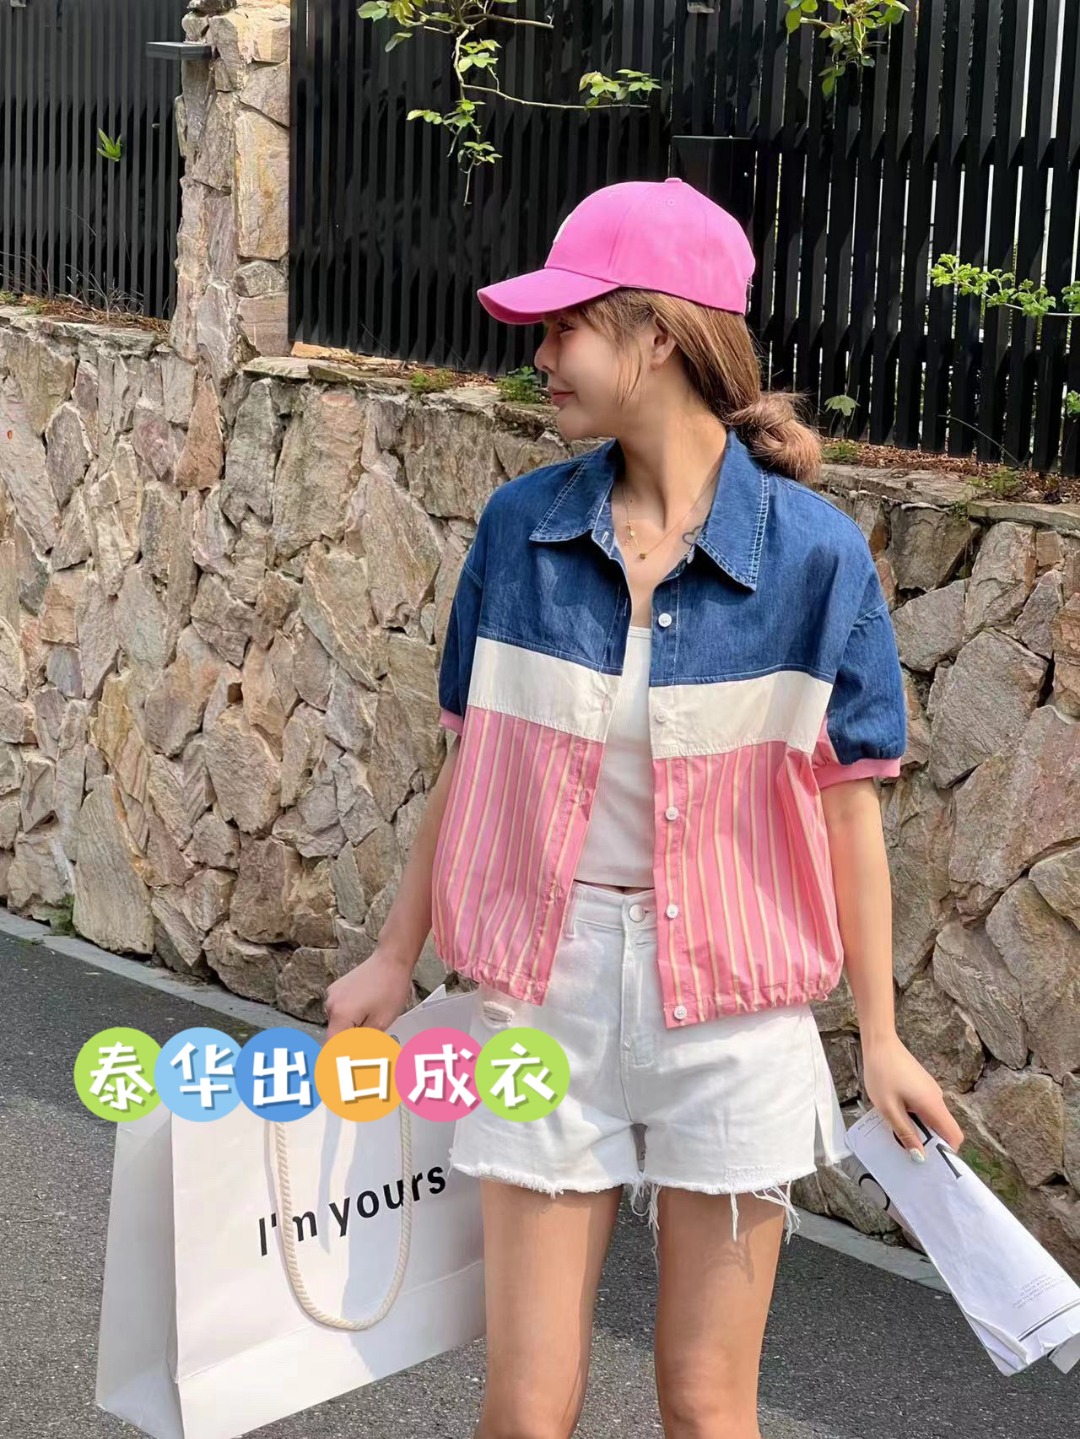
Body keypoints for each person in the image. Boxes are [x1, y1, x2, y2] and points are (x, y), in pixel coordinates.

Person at [325, 178, 965, 1439]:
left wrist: (881, 1035)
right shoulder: (520, 528)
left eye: (567, 325)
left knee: (707, 1402)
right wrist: (397, 953)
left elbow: (849, 811)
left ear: (658, 334)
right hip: (542, 989)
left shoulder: (816, 557)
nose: (541, 353)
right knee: (524, 1405)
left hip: (735, 1010)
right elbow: (472, 760)